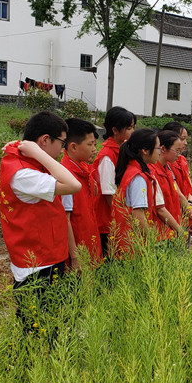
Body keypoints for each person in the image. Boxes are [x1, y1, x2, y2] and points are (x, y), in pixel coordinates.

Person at [0, 111, 81, 327]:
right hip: (38, 263)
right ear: (44, 140)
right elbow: (74, 185)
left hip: (45, 255)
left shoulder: (25, 162)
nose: (62, 150)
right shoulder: (24, 174)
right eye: (62, 143)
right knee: (39, 328)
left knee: (49, 322)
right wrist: (40, 154)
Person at [111, 129, 176, 258]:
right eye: (158, 148)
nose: (159, 152)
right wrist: (150, 240)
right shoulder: (138, 178)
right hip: (133, 246)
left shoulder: (133, 170)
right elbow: (138, 214)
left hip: (127, 242)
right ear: (144, 151)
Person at [93, 107, 135, 256]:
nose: (132, 132)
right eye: (129, 128)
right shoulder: (107, 156)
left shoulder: (121, 151)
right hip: (108, 219)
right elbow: (108, 193)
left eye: (133, 127)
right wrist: (125, 219)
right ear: (115, 130)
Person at [61, 118, 101, 268]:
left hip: (90, 242)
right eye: (90, 145)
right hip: (79, 248)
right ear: (73, 147)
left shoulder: (83, 169)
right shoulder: (66, 177)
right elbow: (65, 219)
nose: (94, 149)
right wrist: (75, 256)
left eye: (95, 144)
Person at [162, 121, 192, 239]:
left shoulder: (181, 160)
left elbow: (188, 186)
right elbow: (176, 193)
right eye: (182, 139)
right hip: (172, 216)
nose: (185, 143)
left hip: (185, 210)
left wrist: (190, 207)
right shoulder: (167, 163)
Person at [150, 130, 187, 242]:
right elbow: (160, 209)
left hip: (171, 232)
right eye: (177, 151)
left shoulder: (168, 171)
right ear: (163, 149)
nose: (179, 155)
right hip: (160, 234)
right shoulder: (152, 173)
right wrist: (180, 231)